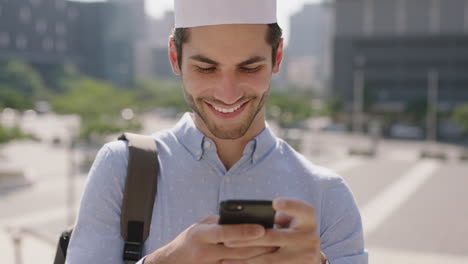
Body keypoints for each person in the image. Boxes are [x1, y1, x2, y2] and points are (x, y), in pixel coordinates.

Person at [66, 0, 368, 263]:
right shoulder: (121, 168)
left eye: (249, 68)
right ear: (175, 58)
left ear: (277, 58)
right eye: (206, 68)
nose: (227, 93)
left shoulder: (328, 196)